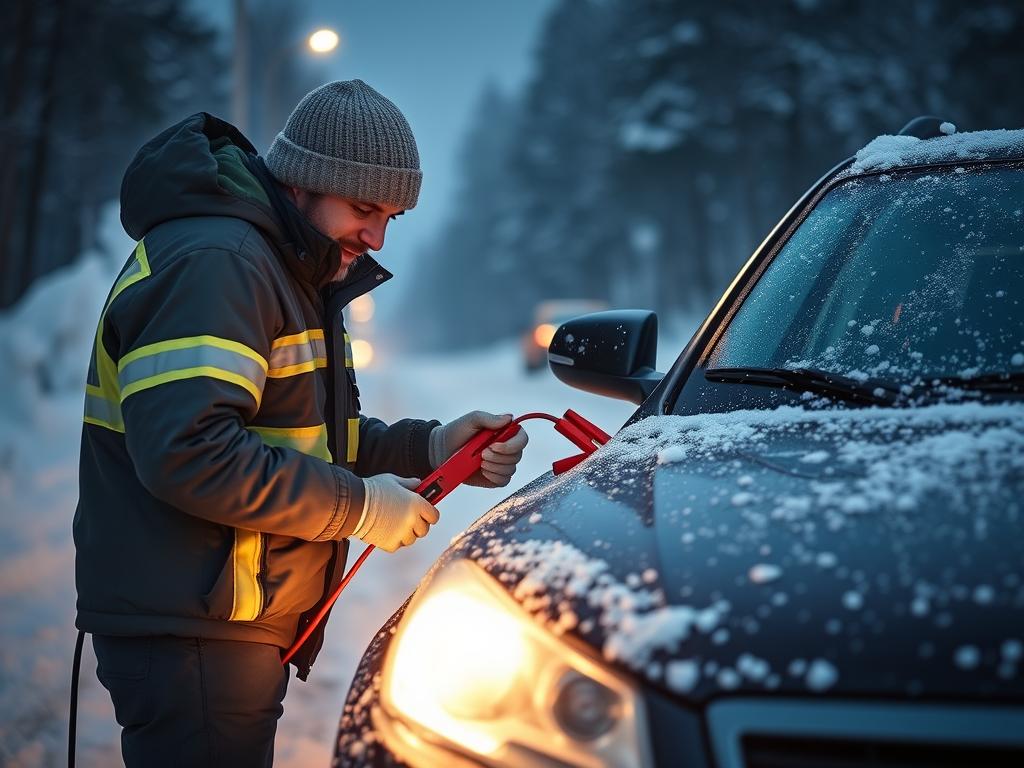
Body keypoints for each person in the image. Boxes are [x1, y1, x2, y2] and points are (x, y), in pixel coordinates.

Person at [73, 80, 529, 766]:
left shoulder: (285, 267)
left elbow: (306, 436)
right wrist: (359, 507)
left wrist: (429, 445)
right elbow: (190, 452)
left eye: (393, 217)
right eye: (363, 207)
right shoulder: (221, 264)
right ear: (302, 183)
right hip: (193, 624)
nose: (376, 236)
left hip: (221, 615)